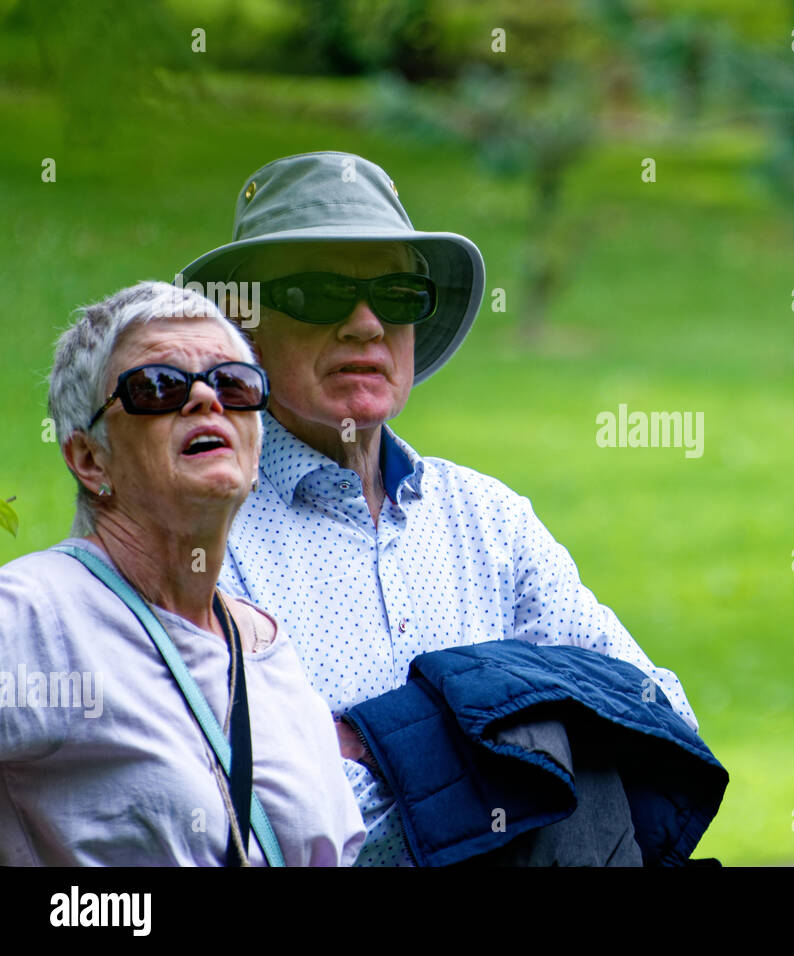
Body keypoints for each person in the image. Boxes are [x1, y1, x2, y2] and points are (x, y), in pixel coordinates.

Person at [180, 151, 701, 865]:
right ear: (247, 334)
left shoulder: (489, 518)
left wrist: (384, 736)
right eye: (320, 292)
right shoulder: (207, 539)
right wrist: (514, 732)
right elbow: (239, 817)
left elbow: (657, 712)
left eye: (396, 294)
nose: (366, 324)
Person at [0, 281, 365, 865]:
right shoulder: (37, 614)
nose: (205, 400)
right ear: (90, 459)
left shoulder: (268, 650)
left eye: (234, 384)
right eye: (158, 387)